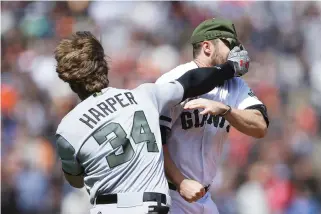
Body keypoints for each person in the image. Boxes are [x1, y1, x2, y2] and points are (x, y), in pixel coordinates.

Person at [53, 31, 249, 214]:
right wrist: (230, 68)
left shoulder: (68, 129)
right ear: (104, 64)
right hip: (152, 207)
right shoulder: (144, 96)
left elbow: (76, 180)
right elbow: (191, 81)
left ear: (68, 78)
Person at [156, 18, 269, 214]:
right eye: (230, 45)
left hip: (204, 197)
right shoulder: (174, 80)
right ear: (207, 47)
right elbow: (154, 139)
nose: (236, 52)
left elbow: (260, 126)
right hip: (170, 193)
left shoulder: (235, 86)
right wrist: (180, 181)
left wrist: (226, 110)